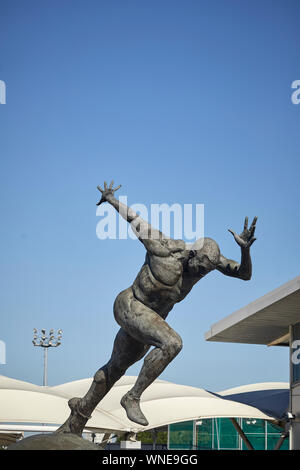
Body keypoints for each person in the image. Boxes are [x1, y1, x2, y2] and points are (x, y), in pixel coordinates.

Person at [57, 181, 257, 436]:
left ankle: (74, 422)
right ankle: (132, 397)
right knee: (172, 343)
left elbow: (244, 275)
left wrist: (244, 250)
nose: (201, 273)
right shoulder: (164, 250)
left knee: (115, 369)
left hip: (149, 320)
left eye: (207, 270)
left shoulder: (210, 263)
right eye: (200, 267)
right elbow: (135, 220)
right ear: (192, 254)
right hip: (129, 304)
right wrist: (111, 199)